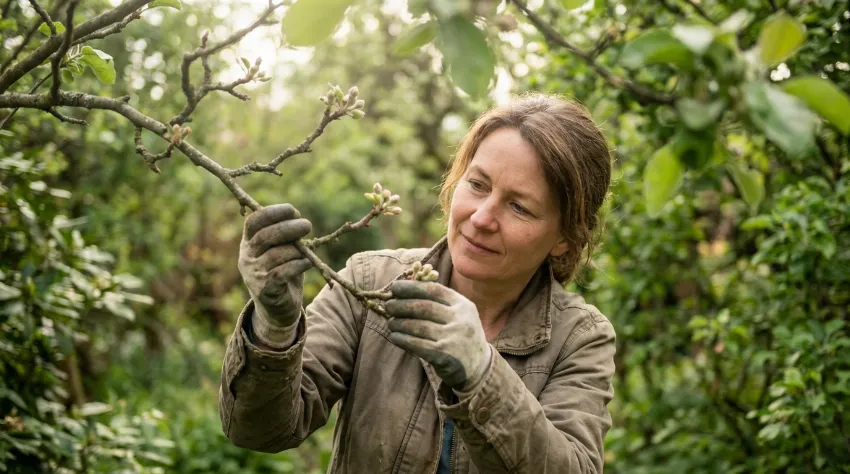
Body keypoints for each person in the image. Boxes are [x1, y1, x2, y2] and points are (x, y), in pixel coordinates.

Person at [219, 93, 616, 474]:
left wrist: (482, 374)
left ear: (564, 237)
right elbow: (259, 431)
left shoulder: (579, 337)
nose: (481, 218)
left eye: (519, 207)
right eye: (477, 185)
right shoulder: (370, 282)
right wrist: (275, 328)